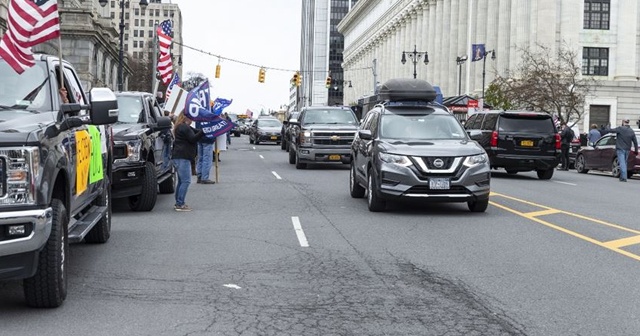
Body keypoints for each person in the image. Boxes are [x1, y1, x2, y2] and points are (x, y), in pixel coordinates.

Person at [171, 113, 204, 211]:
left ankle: (178, 202)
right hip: (183, 156)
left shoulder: (181, 126)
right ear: (185, 117)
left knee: (181, 181)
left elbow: (196, 132)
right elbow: (193, 138)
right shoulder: (184, 127)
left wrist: (205, 131)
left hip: (178, 156)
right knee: (186, 181)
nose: (192, 119)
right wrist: (204, 131)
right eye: (191, 117)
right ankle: (180, 204)